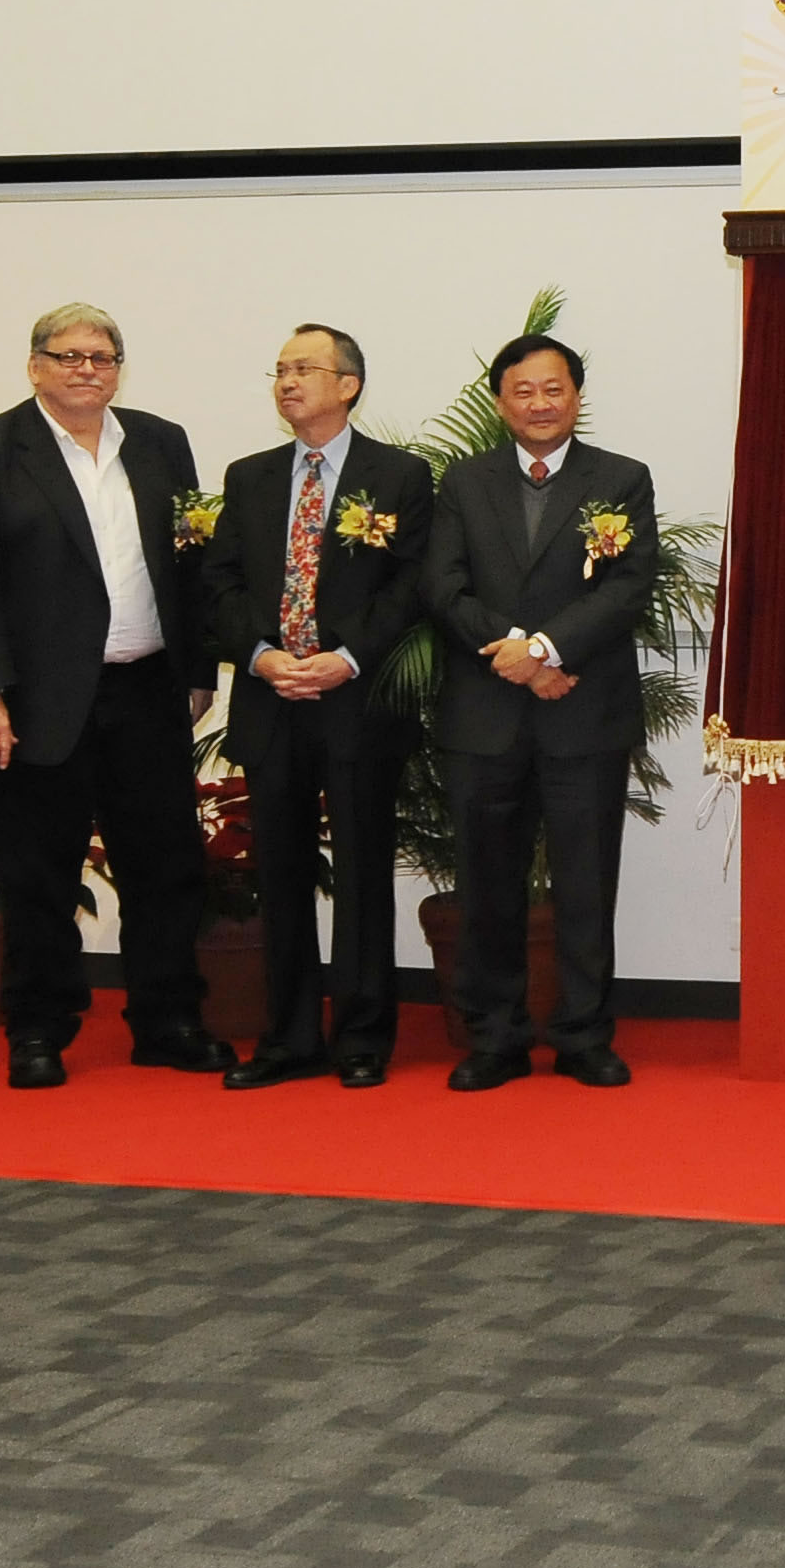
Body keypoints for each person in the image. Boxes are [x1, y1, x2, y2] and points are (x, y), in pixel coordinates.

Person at [0, 303, 228, 1088]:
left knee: (166, 868)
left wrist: (197, 670)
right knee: (36, 875)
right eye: (69, 356)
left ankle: (168, 1021)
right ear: (35, 366)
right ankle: (38, 1028)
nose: (86, 369)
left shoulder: (160, 442)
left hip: (146, 691)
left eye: (102, 356)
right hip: (31, 704)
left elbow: (186, 566)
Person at [202, 325, 435, 1090]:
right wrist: (264, 658)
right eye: (280, 370)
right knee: (283, 870)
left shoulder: (398, 476)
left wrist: (344, 658)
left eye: (304, 368)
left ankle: (363, 1036)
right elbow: (222, 583)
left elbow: (409, 584)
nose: (287, 382)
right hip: (273, 702)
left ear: (349, 384)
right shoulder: (250, 476)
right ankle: (289, 1037)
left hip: (356, 700)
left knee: (365, 868)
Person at [426, 332, 660, 1091]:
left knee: (586, 883)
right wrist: (521, 658)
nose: (539, 404)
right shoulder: (463, 482)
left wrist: (551, 652)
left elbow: (627, 589)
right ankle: (494, 1038)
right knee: (487, 883)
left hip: (583, 713)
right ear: (500, 403)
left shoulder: (621, 479)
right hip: (484, 715)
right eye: (522, 391)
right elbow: (444, 587)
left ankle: (584, 1036)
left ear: (577, 396)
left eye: (553, 389)